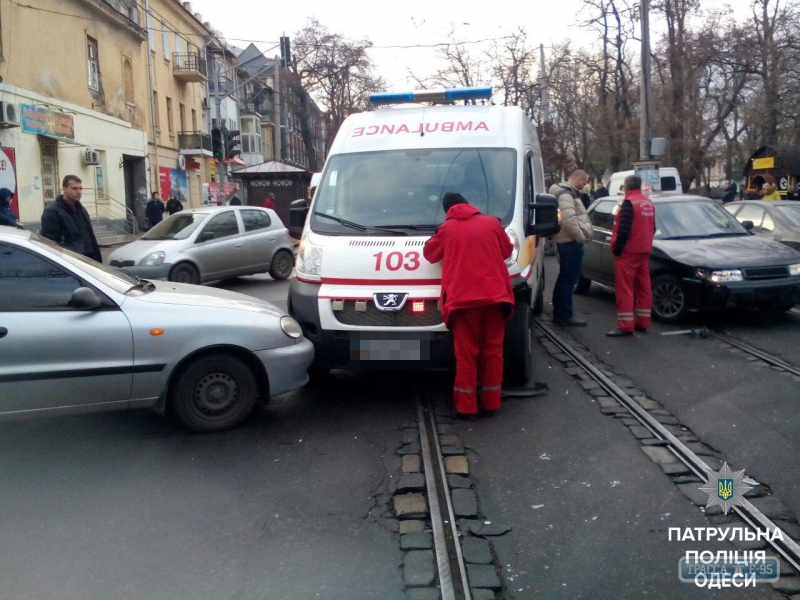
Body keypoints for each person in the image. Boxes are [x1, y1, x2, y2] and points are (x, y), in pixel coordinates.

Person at [423, 192, 514, 419]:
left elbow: (430, 254)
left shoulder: (446, 229)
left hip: (462, 301)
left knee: (466, 354)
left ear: (447, 210)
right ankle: (491, 403)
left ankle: (467, 408)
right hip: (495, 297)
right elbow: (507, 251)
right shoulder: (492, 223)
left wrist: (437, 233)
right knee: (493, 351)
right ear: (467, 204)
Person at [606, 175, 656, 337]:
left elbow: (623, 230)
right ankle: (642, 322)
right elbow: (653, 227)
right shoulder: (648, 202)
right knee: (644, 288)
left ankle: (625, 325)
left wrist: (617, 249)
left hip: (628, 253)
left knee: (625, 289)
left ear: (626, 187)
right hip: (644, 251)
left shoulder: (628, 203)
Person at [548, 169, 593, 326]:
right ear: (579, 179)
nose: (585, 185)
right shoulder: (566, 194)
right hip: (570, 241)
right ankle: (564, 314)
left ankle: (560, 311)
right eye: (584, 181)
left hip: (565, 240)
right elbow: (569, 220)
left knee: (565, 277)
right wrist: (580, 237)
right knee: (569, 278)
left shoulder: (560, 191)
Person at [40, 175, 102, 262]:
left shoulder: (81, 209)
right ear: (64, 189)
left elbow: (90, 238)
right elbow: (51, 243)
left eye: (80, 188)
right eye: (74, 188)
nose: (79, 192)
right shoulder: (52, 211)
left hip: (88, 262)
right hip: (69, 264)